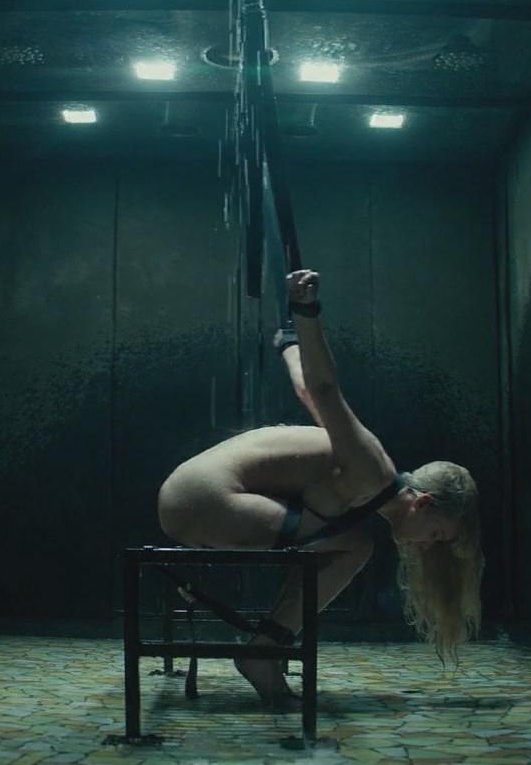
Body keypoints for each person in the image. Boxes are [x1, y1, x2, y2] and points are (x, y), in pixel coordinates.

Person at [155, 268, 484, 705]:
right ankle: (263, 652)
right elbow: (325, 388)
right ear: (422, 503)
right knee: (356, 546)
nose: (426, 545)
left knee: (350, 541)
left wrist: (289, 343)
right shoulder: (372, 472)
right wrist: (305, 311)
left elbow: (308, 391)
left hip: (188, 495)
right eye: (437, 534)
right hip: (201, 499)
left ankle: (265, 649)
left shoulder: (365, 475)